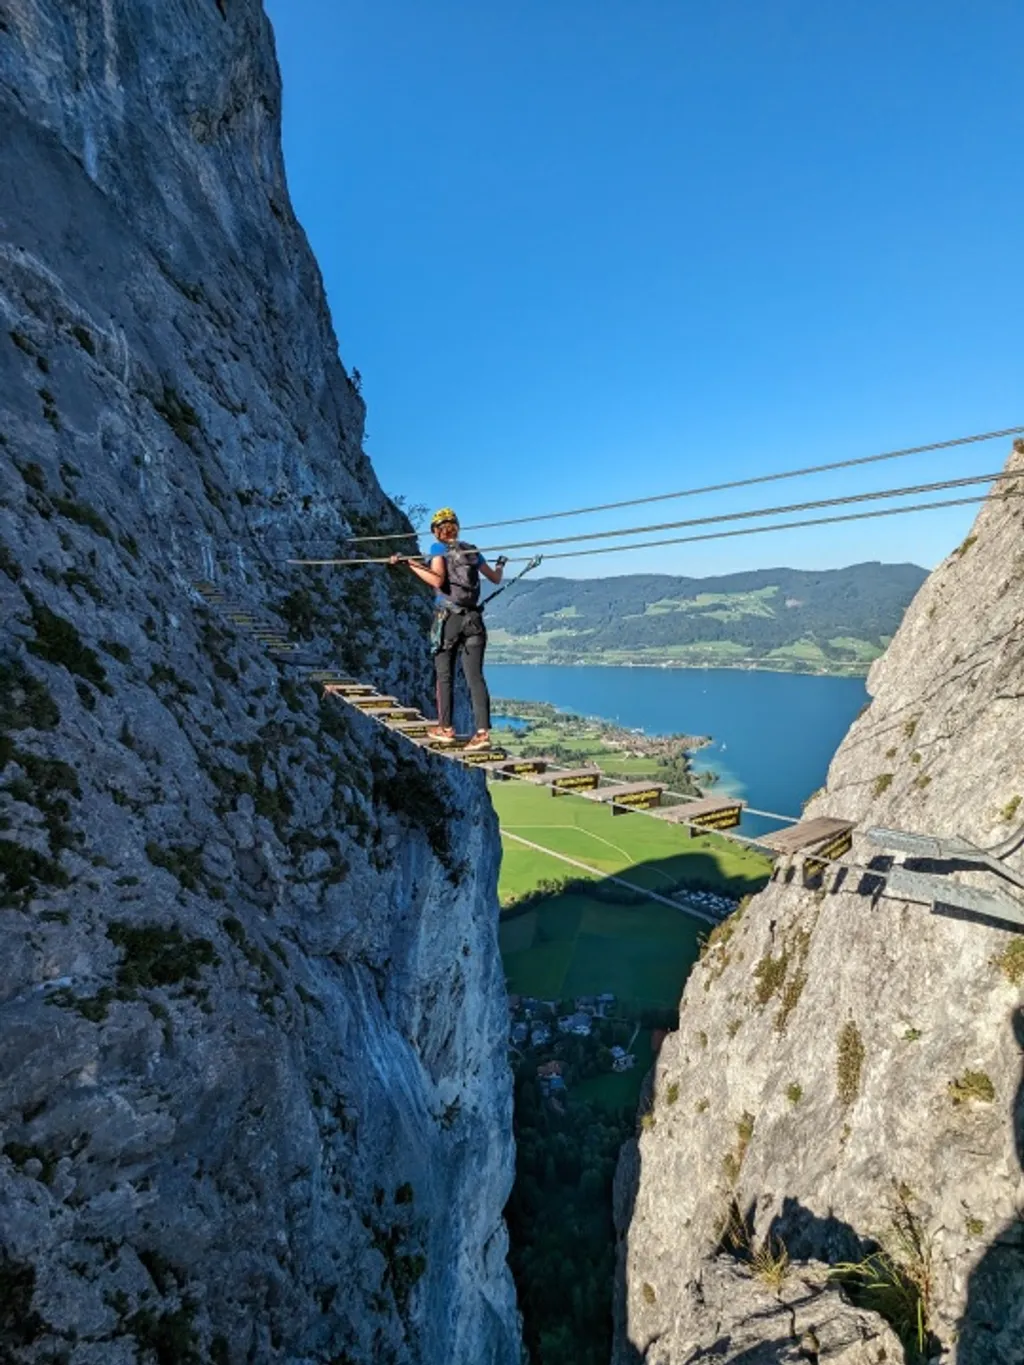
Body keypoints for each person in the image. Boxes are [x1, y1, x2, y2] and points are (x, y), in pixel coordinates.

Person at [391, 507, 505, 750]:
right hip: (474, 620)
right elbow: (495, 579)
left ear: (436, 531)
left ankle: (445, 728)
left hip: (449, 619)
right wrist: (501, 566)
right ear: (456, 527)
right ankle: (483, 733)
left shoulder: (438, 549)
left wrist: (408, 563)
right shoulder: (472, 551)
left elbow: (437, 579)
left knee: (445, 676)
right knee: (475, 678)